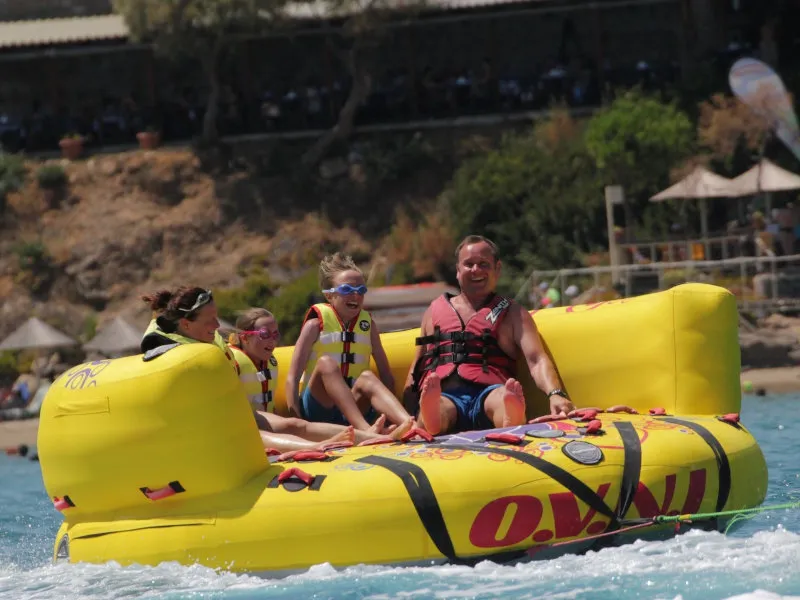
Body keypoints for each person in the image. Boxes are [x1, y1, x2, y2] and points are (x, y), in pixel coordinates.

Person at [140, 287, 348, 452]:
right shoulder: (171, 355)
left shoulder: (207, 343)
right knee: (253, 435)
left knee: (295, 424)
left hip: (235, 411)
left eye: (216, 317)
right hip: (205, 429)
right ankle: (317, 447)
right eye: (210, 319)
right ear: (186, 325)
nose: (217, 324)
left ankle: (368, 435)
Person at [403, 235, 574, 435]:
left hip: (490, 391)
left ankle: (511, 417)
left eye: (483, 264)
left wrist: (555, 394)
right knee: (438, 406)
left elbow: (536, 359)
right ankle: (431, 420)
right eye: (469, 264)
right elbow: (417, 367)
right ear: (458, 270)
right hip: (445, 395)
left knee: (502, 397)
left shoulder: (513, 313)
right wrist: (407, 414)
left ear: (497, 269)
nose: (476, 270)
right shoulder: (433, 312)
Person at [228, 307, 402, 448]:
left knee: (298, 425)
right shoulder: (231, 362)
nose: (272, 341)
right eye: (265, 334)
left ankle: (381, 432)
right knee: (296, 425)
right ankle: (330, 443)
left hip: (264, 420)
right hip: (244, 426)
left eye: (275, 335)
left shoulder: (268, 362)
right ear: (245, 337)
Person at [286, 253, 414, 436]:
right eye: (347, 290)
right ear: (329, 296)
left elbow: (386, 375)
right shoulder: (314, 326)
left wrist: (384, 414)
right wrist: (296, 422)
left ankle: (410, 425)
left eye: (361, 290)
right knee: (326, 364)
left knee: (368, 377)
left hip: (354, 407)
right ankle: (368, 432)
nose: (355, 295)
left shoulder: (368, 326)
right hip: (320, 409)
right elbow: (292, 378)